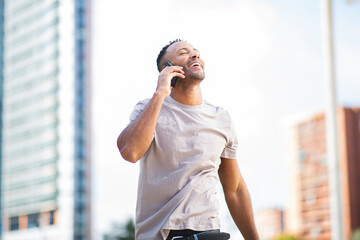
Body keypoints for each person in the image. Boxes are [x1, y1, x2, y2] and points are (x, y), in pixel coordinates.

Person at [117, 39, 259, 240]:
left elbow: (234, 189)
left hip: (209, 233)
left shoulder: (221, 118)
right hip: (159, 236)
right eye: (183, 52)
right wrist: (160, 93)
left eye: (196, 52)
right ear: (167, 69)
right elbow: (130, 151)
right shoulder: (148, 109)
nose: (194, 55)